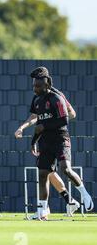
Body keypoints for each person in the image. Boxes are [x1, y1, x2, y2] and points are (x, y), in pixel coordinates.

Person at [16, 67, 81, 217]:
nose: (34, 85)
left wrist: (52, 122)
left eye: (38, 78)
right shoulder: (38, 96)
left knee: (51, 172)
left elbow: (71, 114)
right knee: (47, 172)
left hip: (57, 135)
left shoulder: (57, 95)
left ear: (45, 80)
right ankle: (65, 203)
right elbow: (34, 117)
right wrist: (22, 127)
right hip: (44, 138)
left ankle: (56, 206)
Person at [29, 73, 93, 220]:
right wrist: (33, 142)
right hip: (45, 142)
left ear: (46, 85)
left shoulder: (56, 98)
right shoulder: (36, 100)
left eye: (38, 86)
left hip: (60, 139)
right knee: (43, 174)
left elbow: (64, 120)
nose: (35, 88)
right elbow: (38, 126)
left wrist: (43, 126)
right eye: (33, 85)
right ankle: (42, 211)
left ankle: (84, 193)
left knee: (66, 169)